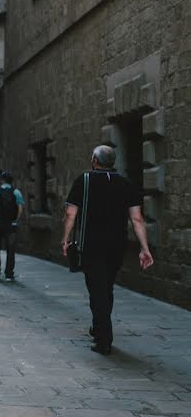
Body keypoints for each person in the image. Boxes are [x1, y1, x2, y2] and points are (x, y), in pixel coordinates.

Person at [61, 145, 154, 356]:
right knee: (106, 288)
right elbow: (137, 219)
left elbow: (70, 214)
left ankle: (104, 338)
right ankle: (99, 326)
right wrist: (144, 248)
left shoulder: (83, 181)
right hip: (116, 247)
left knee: (97, 290)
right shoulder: (125, 183)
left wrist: (65, 239)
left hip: (90, 246)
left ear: (94, 160)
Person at [0, 171, 25, 280]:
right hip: (11, 224)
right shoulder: (16, 192)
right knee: (11, 249)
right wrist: (15, 219)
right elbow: (20, 208)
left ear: (2, 180)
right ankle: (9, 273)